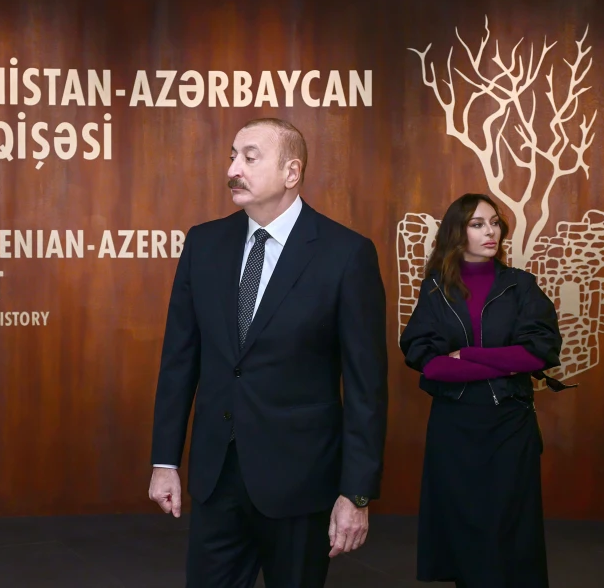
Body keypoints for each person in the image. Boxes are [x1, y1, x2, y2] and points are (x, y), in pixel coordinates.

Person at [148, 117, 389, 587]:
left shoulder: (345, 254)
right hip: (217, 479)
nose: (233, 169)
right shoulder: (204, 243)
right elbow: (179, 361)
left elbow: (367, 388)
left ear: (291, 172)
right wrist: (165, 461)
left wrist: (356, 493)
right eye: (232, 156)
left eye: (250, 157)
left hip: (301, 482)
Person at [399, 193, 568, 588]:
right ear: (457, 233)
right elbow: (427, 361)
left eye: (494, 223)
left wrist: (468, 355)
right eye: (477, 224)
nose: (490, 231)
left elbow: (539, 352)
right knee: (464, 528)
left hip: (510, 421)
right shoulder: (436, 288)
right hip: (454, 426)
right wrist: (503, 361)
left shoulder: (521, 285)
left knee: (510, 529)